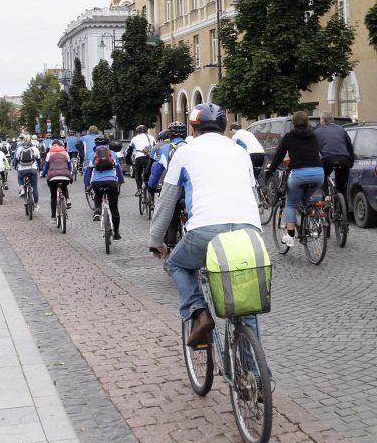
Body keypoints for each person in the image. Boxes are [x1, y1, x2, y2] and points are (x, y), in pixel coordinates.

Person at [149, 103, 262, 347]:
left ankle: (199, 311)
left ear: (195, 128)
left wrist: (156, 241)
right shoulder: (239, 152)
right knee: (246, 306)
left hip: (205, 230)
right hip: (249, 231)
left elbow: (166, 201)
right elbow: (254, 198)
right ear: (223, 127)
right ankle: (255, 378)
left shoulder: (185, 152)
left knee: (177, 264)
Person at [265, 111, 325, 248]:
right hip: (318, 175)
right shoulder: (314, 136)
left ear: (293, 122)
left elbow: (279, 155)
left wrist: (270, 171)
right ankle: (313, 217)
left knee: (291, 204)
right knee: (305, 200)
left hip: (298, 175)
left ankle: (291, 236)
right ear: (307, 122)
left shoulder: (289, 137)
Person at [84, 135, 125, 239]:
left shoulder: (92, 155)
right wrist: (120, 181)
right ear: (107, 144)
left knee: (98, 194)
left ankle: (97, 210)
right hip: (111, 181)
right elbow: (118, 169)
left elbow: (88, 172)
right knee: (114, 208)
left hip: (97, 182)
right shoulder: (113, 154)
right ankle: (116, 233)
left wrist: (87, 184)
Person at [315, 112, 355, 200]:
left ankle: (326, 196)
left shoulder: (317, 131)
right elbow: (350, 146)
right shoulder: (341, 129)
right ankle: (343, 210)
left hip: (327, 159)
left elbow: (313, 149)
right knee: (341, 188)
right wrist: (351, 162)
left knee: (322, 175)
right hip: (344, 160)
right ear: (332, 120)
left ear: (322, 121)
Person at [42, 139, 73, 219]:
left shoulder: (49, 154)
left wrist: (43, 174)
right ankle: (68, 199)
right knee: (64, 185)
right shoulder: (65, 153)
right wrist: (70, 174)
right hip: (65, 176)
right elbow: (69, 166)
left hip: (53, 177)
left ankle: (53, 217)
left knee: (53, 196)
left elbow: (45, 167)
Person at [126, 125, 155, 196]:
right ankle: (151, 197)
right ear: (146, 131)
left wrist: (128, 161)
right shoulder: (151, 137)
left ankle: (139, 189)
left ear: (137, 132)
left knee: (138, 173)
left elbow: (129, 151)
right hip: (149, 157)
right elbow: (155, 147)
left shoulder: (134, 138)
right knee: (150, 173)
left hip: (139, 158)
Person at [15, 135, 41, 212]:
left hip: (22, 170)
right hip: (33, 170)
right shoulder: (35, 148)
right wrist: (39, 168)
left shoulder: (19, 148)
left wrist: (16, 166)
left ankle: (22, 188)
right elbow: (38, 159)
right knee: (34, 187)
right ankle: (35, 205)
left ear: (23, 140)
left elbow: (16, 159)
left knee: (19, 177)